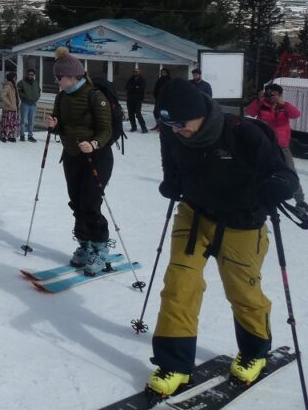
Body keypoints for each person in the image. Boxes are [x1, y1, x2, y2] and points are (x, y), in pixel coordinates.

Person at [146, 79, 298, 397]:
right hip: (195, 213)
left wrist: (276, 186)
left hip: (242, 221)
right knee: (179, 285)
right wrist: (171, 181)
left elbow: (283, 173)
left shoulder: (244, 132)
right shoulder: (174, 133)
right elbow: (170, 161)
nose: (174, 129)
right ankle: (174, 363)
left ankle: (255, 351)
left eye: (180, 122)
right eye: (168, 123)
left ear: (200, 114)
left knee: (242, 291)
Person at [45, 46, 114, 274]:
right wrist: (55, 127)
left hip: (97, 158)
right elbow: (63, 127)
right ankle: (85, 245)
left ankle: (100, 249)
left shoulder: (95, 96)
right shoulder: (62, 96)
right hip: (72, 156)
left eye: (59, 77)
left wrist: (93, 143)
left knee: (91, 204)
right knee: (76, 203)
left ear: (73, 76)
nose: (58, 82)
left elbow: (106, 130)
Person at [245, 83, 306, 216]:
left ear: (279, 95)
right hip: (265, 144)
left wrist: (284, 104)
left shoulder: (285, 107)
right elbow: (249, 112)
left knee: (290, 170)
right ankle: (260, 196)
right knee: (260, 170)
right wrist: (258, 101)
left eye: (274, 94)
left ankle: (300, 200)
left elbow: (296, 114)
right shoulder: (261, 105)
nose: (271, 96)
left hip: (282, 145)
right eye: (269, 93)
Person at [17, 68, 40, 143]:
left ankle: (30, 136)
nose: (30, 76)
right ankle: (22, 135)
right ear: (27, 74)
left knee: (31, 121)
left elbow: (39, 91)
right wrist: (25, 96)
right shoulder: (22, 82)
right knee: (23, 121)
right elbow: (18, 91)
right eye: (29, 74)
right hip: (25, 104)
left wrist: (36, 97)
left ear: (34, 75)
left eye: (32, 74)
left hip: (33, 105)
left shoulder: (36, 83)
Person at [125, 67, 149, 133]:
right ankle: (133, 127)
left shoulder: (142, 80)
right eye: (134, 72)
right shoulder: (131, 79)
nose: (135, 73)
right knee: (130, 114)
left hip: (138, 99)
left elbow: (141, 88)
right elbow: (127, 87)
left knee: (138, 113)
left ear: (140, 73)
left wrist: (133, 88)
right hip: (130, 98)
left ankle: (144, 128)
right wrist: (135, 87)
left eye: (137, 72)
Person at [0, 71, 20, 143]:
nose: (16, 79)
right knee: (6, 123)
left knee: (12, 124)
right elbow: (2, 95)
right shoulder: (8, 86)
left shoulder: (13, 85)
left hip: (14, 108)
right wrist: (9, 104)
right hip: (9, 109)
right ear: (12, 78)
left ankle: (10, 136)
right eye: (15, 78)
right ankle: (3, 135)